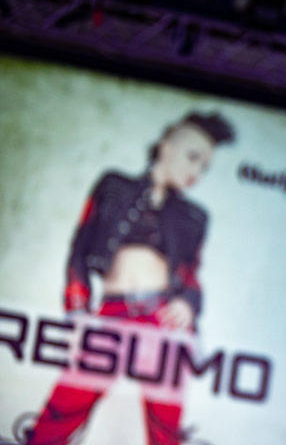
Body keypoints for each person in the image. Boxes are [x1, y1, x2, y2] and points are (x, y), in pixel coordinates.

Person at [27, 112, 235, 445]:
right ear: (166, 146)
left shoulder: (195, 217)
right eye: (192, 157)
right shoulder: (113, 186)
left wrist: (188, 304)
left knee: (165, 427)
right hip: (111, 314)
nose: (196, 172)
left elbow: (191, 276)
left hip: (161, 320)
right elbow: (79, 249)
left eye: (205, 167)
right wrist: (77, 309)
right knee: (62, 410)